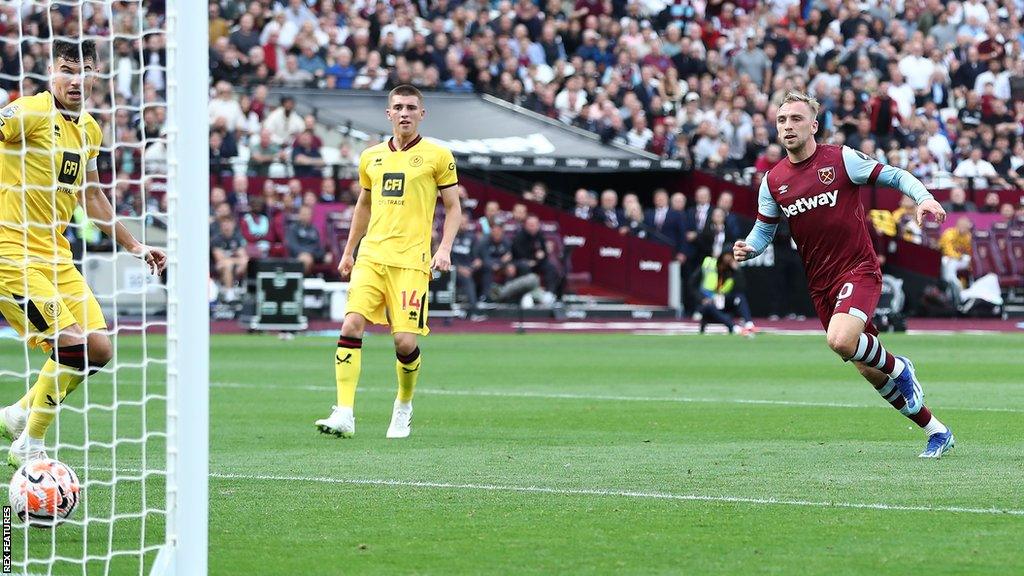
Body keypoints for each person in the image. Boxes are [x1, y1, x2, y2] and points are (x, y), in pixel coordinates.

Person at [734, 92, 954, 458]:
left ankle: (900, 366)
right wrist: (749, 248)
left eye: (796, 119)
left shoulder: (839, 159)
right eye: (782, 120)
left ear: (814, 125)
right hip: (820, 284)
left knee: (840, 341)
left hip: (858, 269)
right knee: (869, 371)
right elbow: (762, 231)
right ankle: (937, 430)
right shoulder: (773, 182)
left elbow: (894, 175)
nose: (788, 126)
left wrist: (924, 197)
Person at [0, 40, 166, 466]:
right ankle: (30, 444)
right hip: (11, 253)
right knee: (71, 344)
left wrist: (135, 245)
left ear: (97, 75)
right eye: (67, 69)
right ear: (50, 71)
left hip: (55, 254)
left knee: (99, 349)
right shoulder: (30, 112)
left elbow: (91, 196)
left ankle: (19, 414)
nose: (77, 79)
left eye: (86, 69)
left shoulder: (90, 128)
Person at [315, 85, 460, 440]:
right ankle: (344, 412)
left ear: (422, 114)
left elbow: (454, 207)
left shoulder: (438, 156)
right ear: (389, 114)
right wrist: (349, 251)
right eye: (398, 107)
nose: (405, 112)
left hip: (411, 262)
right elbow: (363, 206)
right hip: (372, 257)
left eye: (411, 107)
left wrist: (444, 249)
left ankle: (404, 405)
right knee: (350, 325)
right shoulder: (371, 157)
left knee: (404, 344)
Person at [693, 252, 755, 336]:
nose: (728, 259)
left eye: (730, 257)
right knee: (709, 306)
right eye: (727, 256)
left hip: (723, 300)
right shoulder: (709, 265)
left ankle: (749, 324)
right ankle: (734, 328)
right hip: (707, 301)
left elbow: (741, 287)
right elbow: (692, 284)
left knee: (739, 297)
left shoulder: (731, 271)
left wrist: (737, 271)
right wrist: (701, 299)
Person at [286, 204, 331, 275]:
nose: (306, 216)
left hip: (313, 254)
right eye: (304, 214)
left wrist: (312, 253)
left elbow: (319, 246)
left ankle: (328, 281)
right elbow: (292, 246)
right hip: (299, 254)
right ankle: (305, 281)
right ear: (299, 215)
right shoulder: (293, 228)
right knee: (306, 259)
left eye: (308, 214)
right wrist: (305, 253)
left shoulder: (314, 229)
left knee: (330, 258)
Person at [938, 216, 973, 306]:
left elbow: (970, 252)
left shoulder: (968, 236)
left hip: (960, 260)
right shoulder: (949, 233)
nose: (964, 228)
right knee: (948, 262)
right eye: (962, 226)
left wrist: (962, 257)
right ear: (957, 225)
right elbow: (947, 250)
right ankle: (952, 286)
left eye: (966, 227)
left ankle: (955, 286)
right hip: (946, 259)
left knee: (967, 259)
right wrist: (958, 256)